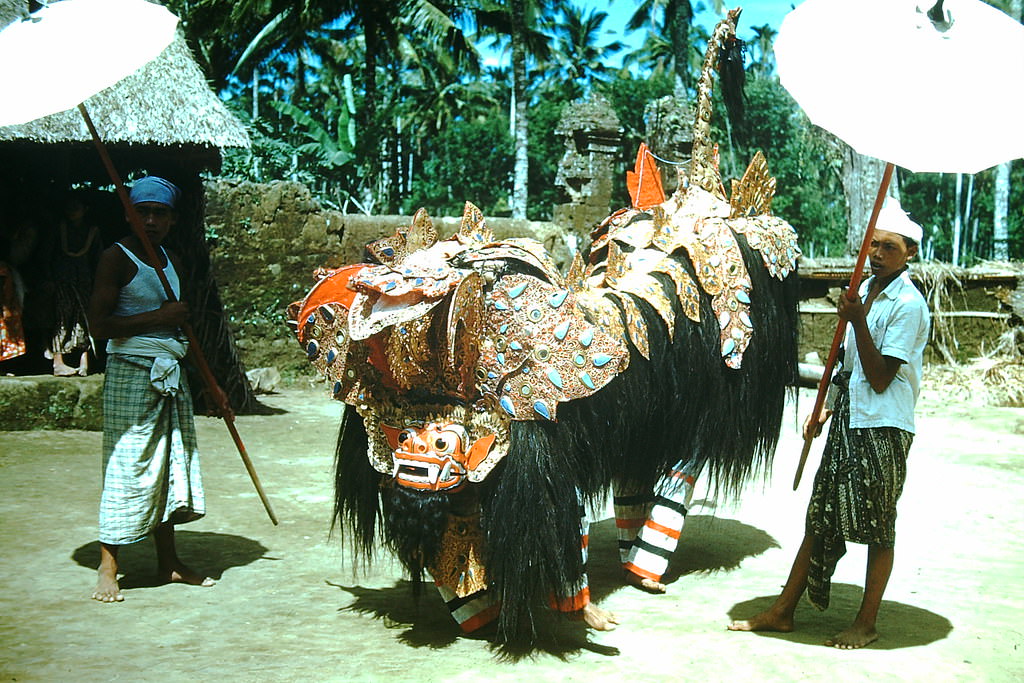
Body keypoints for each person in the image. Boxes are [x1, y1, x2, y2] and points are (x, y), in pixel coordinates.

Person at [728, 200, 930, 649]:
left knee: (879, 524)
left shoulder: (908, 304)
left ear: (910, 253)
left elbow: (879, 378)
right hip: (849, 420)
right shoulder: (867, 291)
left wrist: (856, 320)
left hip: (884, 426)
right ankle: (783, 611)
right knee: (819, 517)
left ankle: (867, 622)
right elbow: (849, 368)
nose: (877, 254)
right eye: (872, 245)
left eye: (889, 248)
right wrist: (825, 407)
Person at [88, 176, 215, 602]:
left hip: (170, 373)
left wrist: (211, 385)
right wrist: (160, 315)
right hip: (131, 371)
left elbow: (182, 327)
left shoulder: (172, 259)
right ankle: (108, 567)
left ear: (173, 219)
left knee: (170, 466)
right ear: (128, 213)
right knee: (126, 465)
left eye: (160, 213)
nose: (151, 220)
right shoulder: (116, 258)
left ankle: (169, 562)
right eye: (142, 211)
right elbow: (99, 326)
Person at [45, 190, 102, 376]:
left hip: (84, 281)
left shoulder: (93, 232)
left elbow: (98, 259)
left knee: (84, 320)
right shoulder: (59, 229)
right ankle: (58, 361)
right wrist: (49, 279)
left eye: (76, 208)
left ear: (85, 210)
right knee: (62, 319)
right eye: (69, 208)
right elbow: (47, 256)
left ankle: (84, 361)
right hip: (62, 279)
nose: (72, 211)